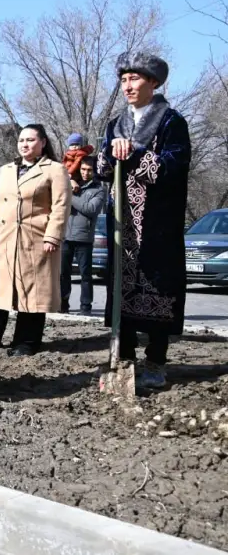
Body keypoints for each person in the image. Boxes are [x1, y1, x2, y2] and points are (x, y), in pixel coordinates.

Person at [97, 51, 191, 390]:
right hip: (123, 224)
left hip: (156, 224)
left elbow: (172, 167)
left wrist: (135, 152)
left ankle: (156, 360)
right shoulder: (116, 124)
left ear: (153, 82)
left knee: (157, 288)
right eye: (123, 80)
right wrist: (109, 154)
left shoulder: (170, 122)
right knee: (121, 289)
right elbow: (102, 170)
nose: (127, 86)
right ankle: (124, 357)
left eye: (134, 79)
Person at [0, 124, 72, 356]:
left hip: (37, 240)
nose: (24, 144)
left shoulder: (55, 170)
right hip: (5, 240)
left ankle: (26, 342)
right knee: (0, 291)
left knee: (33, 293)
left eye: (30, 140)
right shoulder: (5, 170)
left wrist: (53, 236)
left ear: (43, 142)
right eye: (21, 140)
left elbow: (61, 206)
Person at [61, 155, 104, 315]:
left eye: (90, 170)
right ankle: (63, 304)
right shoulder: (70, 183)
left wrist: (71, 196)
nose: (86, 173)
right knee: (63, 274)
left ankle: (86, 307)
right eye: (83, 169)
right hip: (65, 236)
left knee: (85, 275)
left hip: (84, 239)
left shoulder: (98, 190)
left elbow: (90, 209)